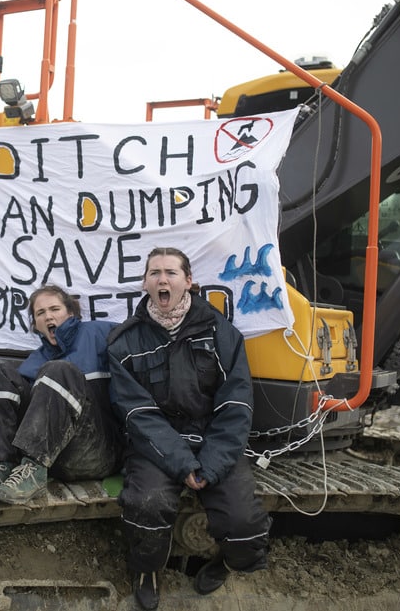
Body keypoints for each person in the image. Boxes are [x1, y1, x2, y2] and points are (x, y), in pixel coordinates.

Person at [107, 247, 270, 610]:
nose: (162, 279)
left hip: (214, 441)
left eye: (170, 272)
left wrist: (210, 466)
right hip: (157, 446)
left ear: (188, 281)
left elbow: (236, 405)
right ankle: (147, 569)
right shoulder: (124, 342)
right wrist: (183, 464)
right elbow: (137, 413)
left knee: (246, 524)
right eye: (154, 273)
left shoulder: (222, 333)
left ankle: (229, 561)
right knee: (146, 506)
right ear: (145, 283)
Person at [0, 284, 123, 505]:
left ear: (71, 313)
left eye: (55, 309)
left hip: (98, 452)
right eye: (40, 313)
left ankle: (33, 467)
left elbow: (144, 343)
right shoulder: (34, 363)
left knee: (59, 369)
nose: (48, 316)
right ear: (35, 324)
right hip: (54, 460)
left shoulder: (100, 334)